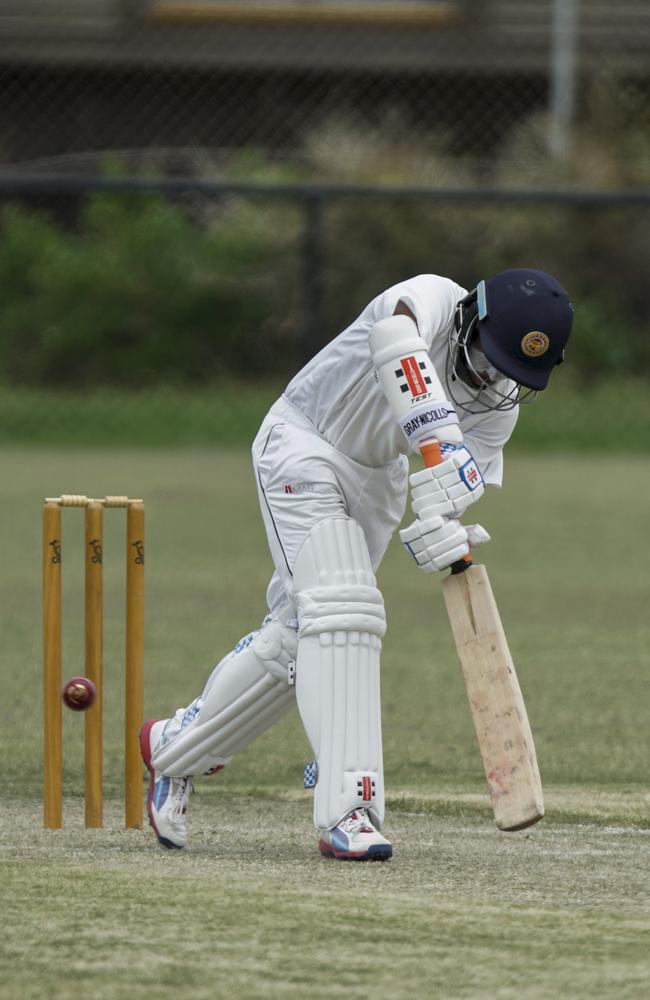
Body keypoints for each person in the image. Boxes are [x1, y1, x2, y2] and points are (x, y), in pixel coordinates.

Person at [140, 267, 573, 861]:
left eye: (512, 374)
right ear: (473, 315)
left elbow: (449, 492)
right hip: (304, 442)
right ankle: (350, 807)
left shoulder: (498, 411)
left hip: (379, 482)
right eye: (492, 356)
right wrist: (440, 436)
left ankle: (172, 750)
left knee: (303, 636)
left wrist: (442, 529)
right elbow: (394, 339)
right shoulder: (430, 298)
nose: (495, 376)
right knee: (346, 612)